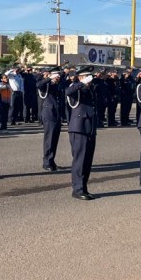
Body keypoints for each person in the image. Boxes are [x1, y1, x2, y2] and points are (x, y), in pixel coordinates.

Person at [66, 68, 99, 200]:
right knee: (79, 161)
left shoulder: (90, 89)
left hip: (89, 128)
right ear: (80, 78)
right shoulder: (75, 87)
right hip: (78, 128)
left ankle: (83, 188)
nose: (89, 80)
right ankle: (78, 190)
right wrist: (82, 82)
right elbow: (68, 92)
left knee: (87, 161)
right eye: (86, 77)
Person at [38, 68, 63, 172]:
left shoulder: (58, 85)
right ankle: (46, 162)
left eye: (58, 75)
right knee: (49, 139)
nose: (58, 77)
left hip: (56, 114)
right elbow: (39, 85)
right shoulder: (46, 85)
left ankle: (51, 161)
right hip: (49, 114)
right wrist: (49, 78)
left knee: (55, 139)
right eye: (56, 75)